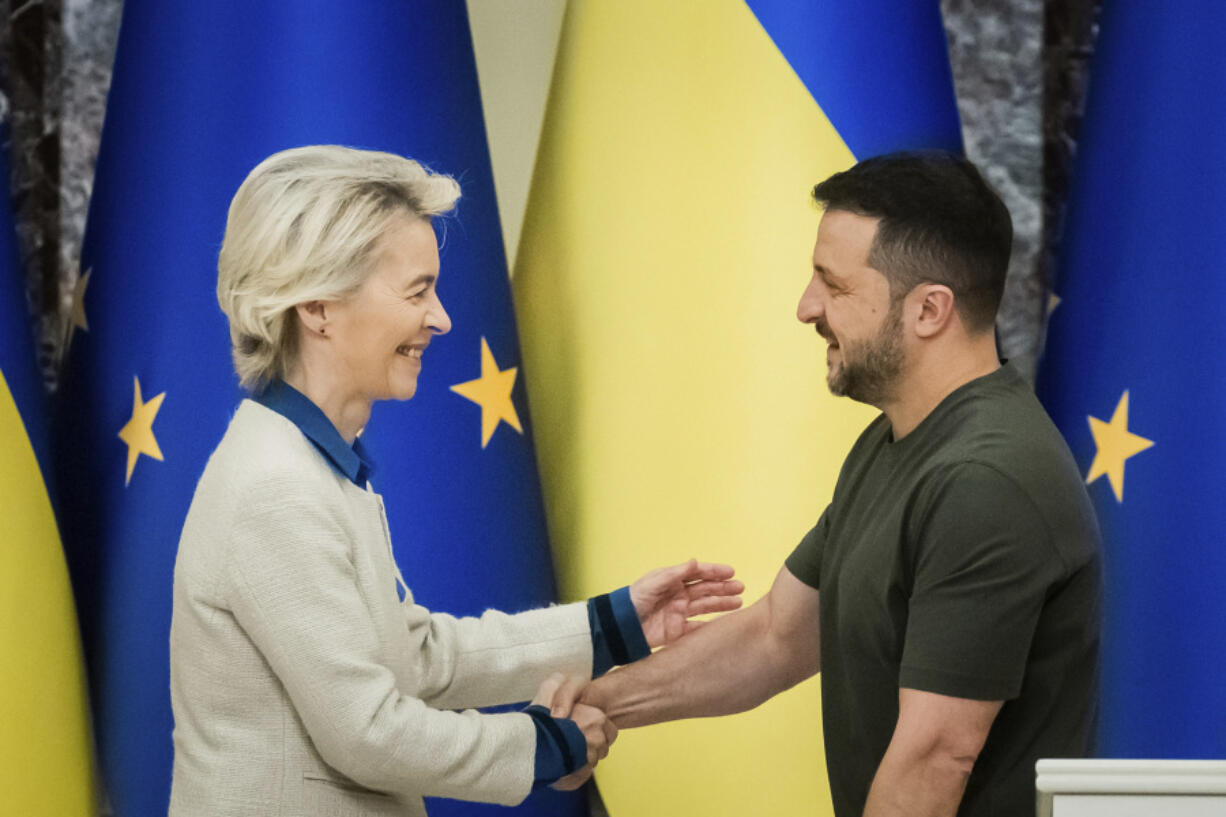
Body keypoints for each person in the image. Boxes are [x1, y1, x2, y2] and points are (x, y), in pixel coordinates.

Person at [167, 145, 743, 817]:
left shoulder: (309, 466)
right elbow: (368, 731)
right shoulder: (277, 488)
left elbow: (417, 657)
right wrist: (546, 744)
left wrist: (612, 625)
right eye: (418, 291)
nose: (440, 318)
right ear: (318, 306)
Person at [551, 152, 1101, 817]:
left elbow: (936, 756)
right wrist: (597, 707)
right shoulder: (897, 440)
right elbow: (777, 635)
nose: (806, 306)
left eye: (833, 285)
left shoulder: (985, 482)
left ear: (929, 309)